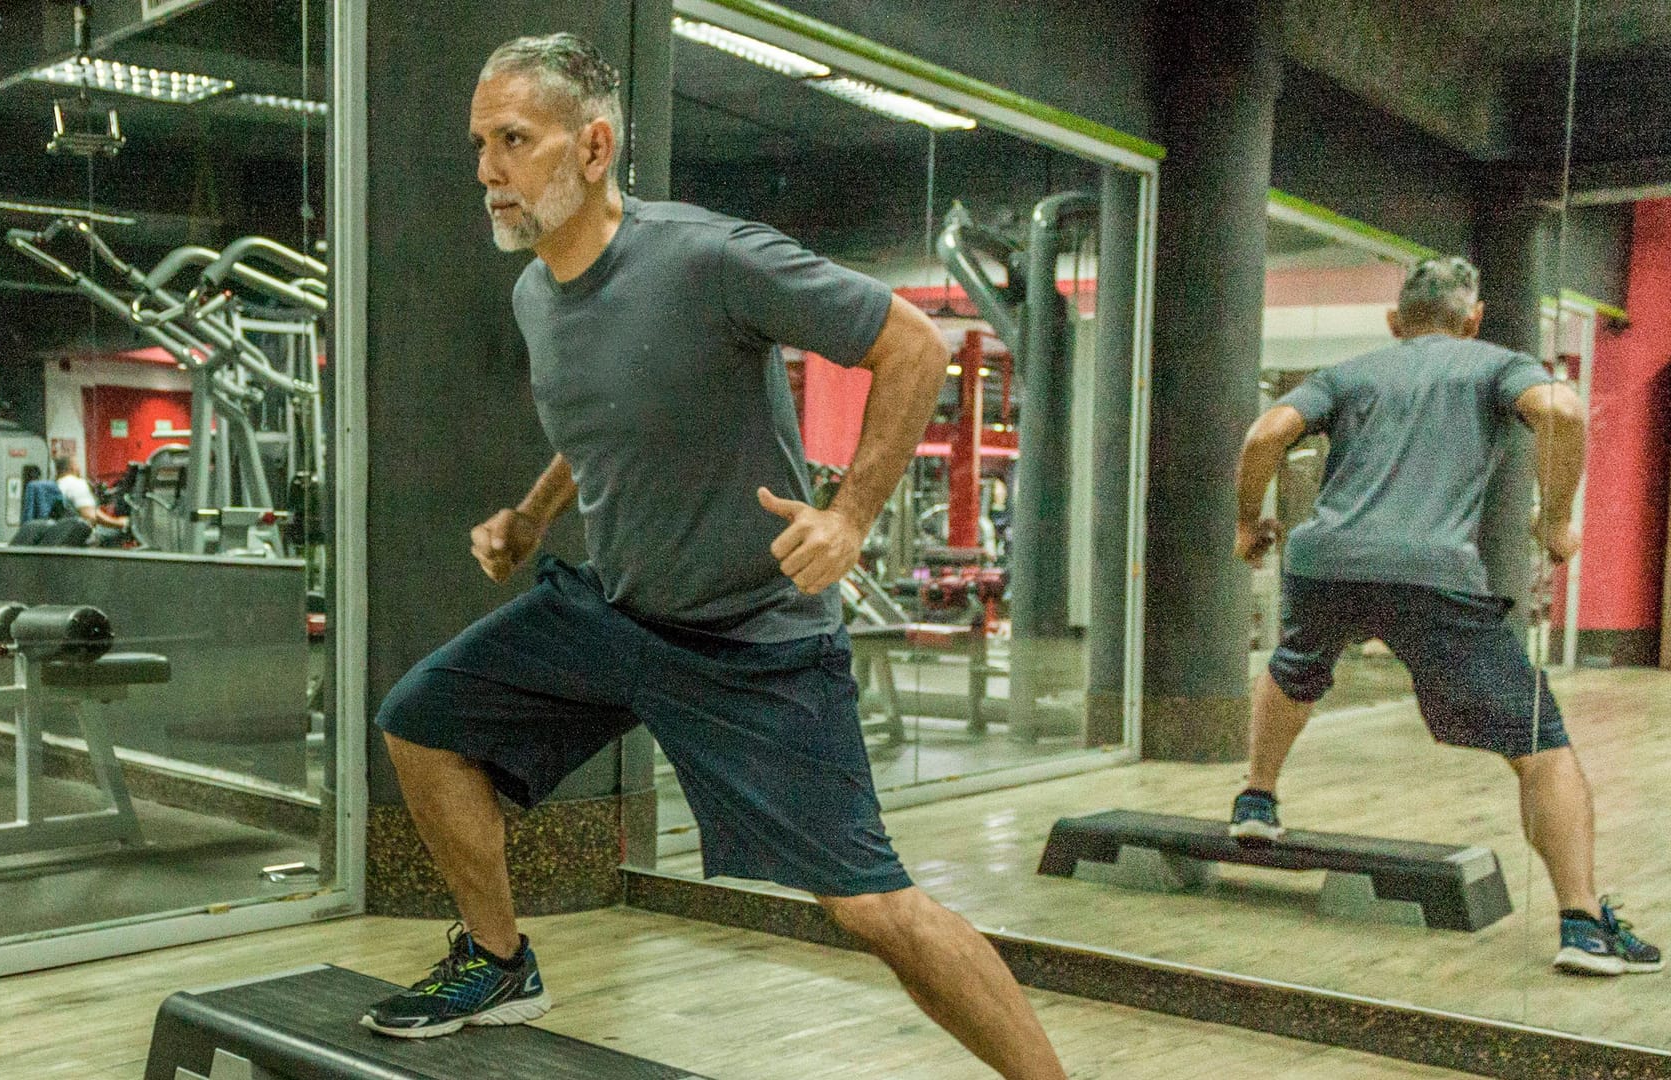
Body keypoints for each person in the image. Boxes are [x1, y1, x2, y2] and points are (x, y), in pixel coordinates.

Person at [363, 32, 1068, 1079]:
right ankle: (498, 959)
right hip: (617, 615)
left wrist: (852, 514)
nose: (486, 171)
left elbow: (911, 344)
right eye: (480, 143)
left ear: (593, 146)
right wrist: (530, 517)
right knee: (420, 726)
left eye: (514, 140)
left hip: (754, 641)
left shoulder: (708, 258)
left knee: (873, 908)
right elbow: (603, 421)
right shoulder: (535, 295)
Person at [1229, 256, 1659, 977]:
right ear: (1474, 318)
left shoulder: (1351, 371)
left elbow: (1265, 434)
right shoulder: (1497, 363)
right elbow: (1560, 410)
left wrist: (1248, 522)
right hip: (1430, 573)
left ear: (1395, 322)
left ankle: (1256, 799)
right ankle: (1583, 924)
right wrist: (1554, 523)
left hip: (1326, 563)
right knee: (1541, 746)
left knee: (1297, 669)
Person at [54, 456, 128, 531]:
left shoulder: (57, 485)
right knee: (120, 532)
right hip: (81, 535)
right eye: (77, 465)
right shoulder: (76, 484)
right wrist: (119, 522)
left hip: (63, 533)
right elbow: (90, 516)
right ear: (72, 467)